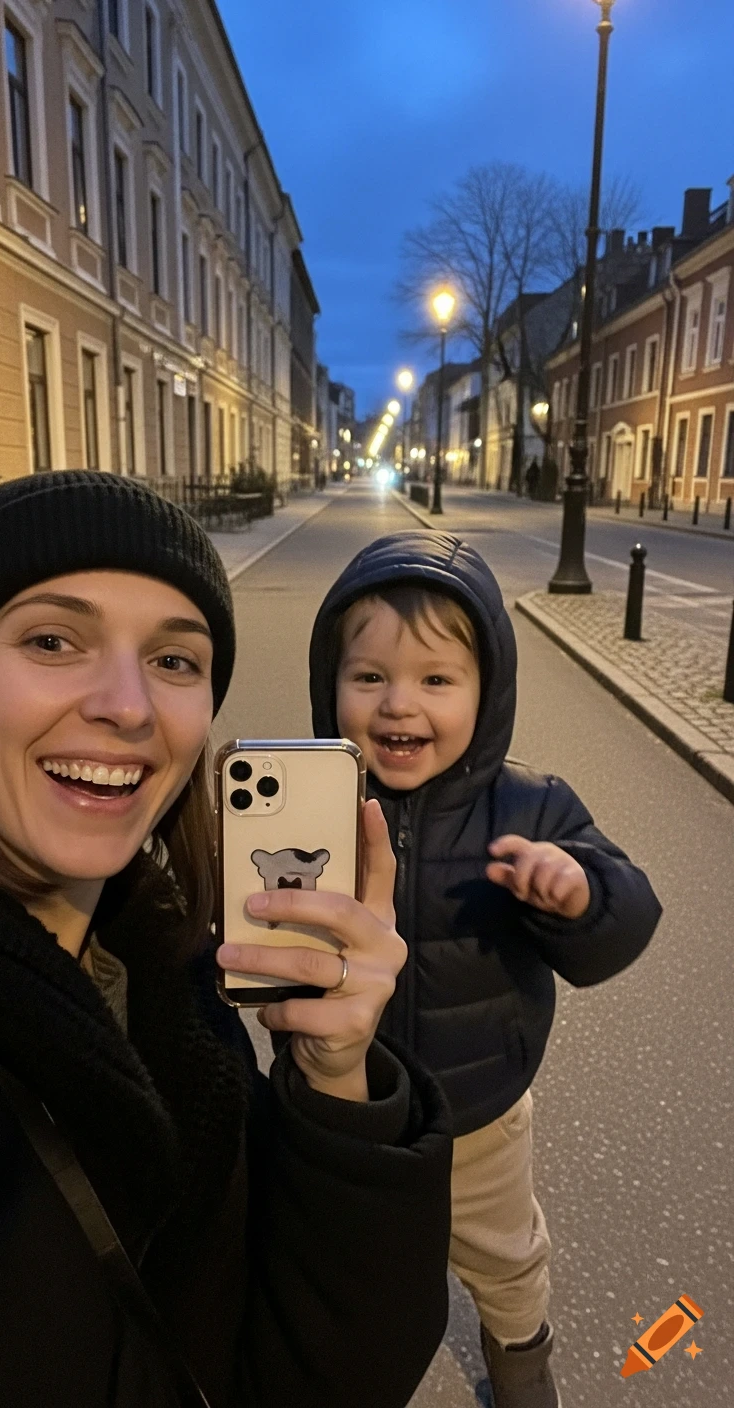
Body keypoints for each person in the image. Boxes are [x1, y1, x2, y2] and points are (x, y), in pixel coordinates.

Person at [0, 475, 453, 1408]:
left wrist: (340, 1083)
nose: (129, 706)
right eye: (52, 641)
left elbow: (323, 1376)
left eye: (175, 659)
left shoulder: (171, 969)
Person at [308, 531, 662, 1408]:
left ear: (487, 689)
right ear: (330, 684)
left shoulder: (530, 807)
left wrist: (577, 895)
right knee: (348, 1257)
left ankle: (519, 1351)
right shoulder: (313, 803)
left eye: (436, 680)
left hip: (480, 1111)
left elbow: (626, 920)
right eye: (369, 677)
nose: (399, 704)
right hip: (348, 1111)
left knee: (503, 1255)